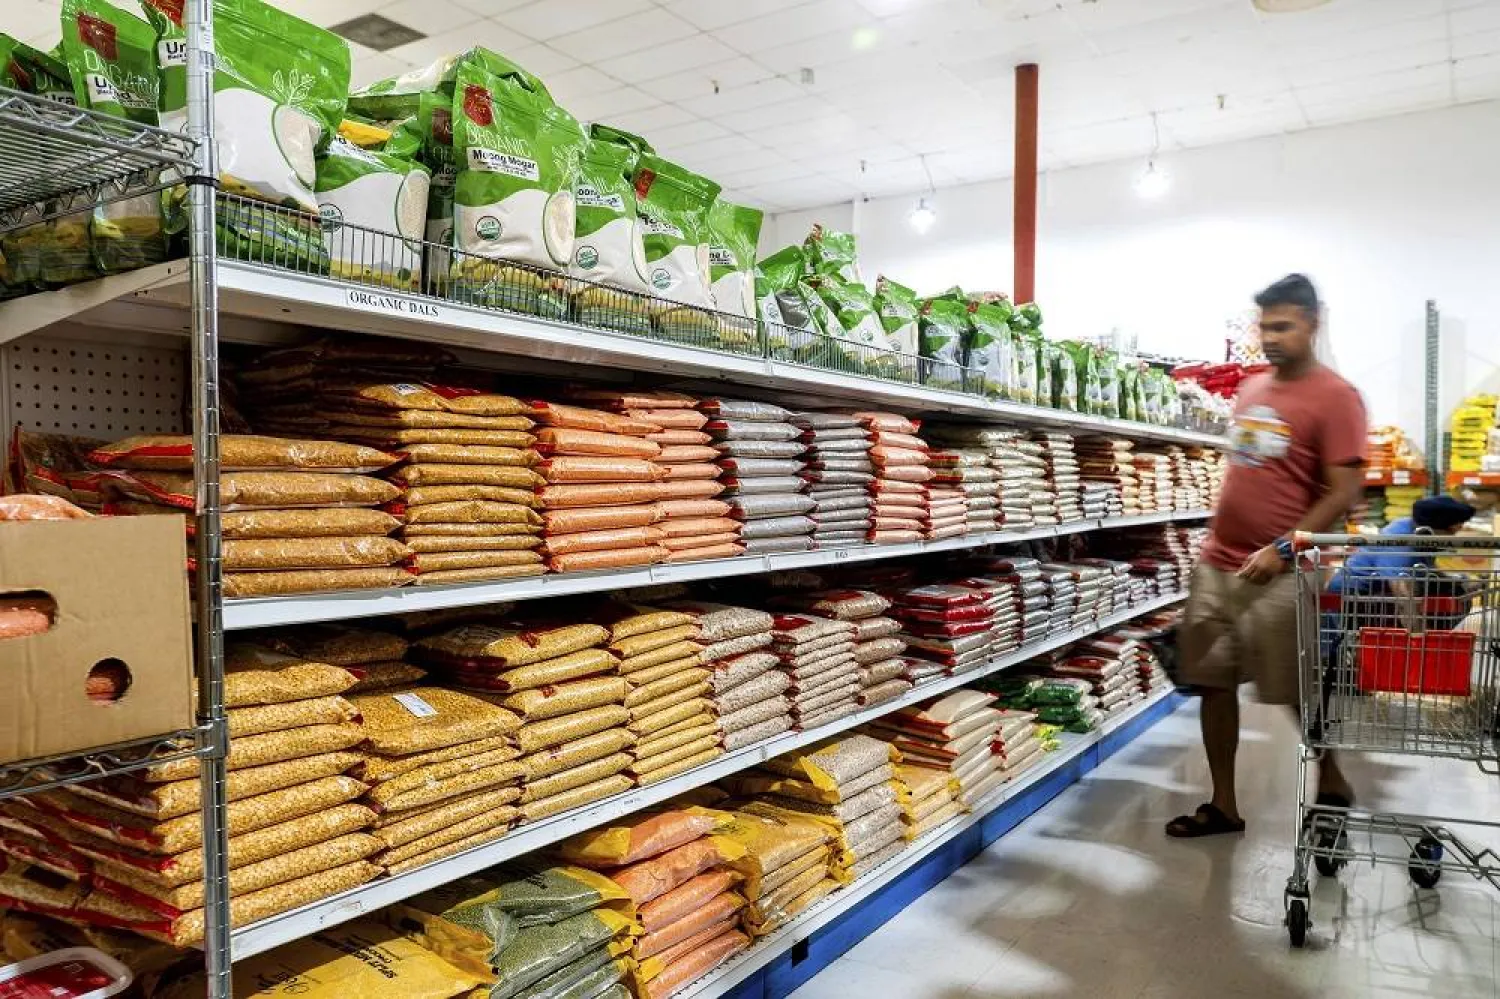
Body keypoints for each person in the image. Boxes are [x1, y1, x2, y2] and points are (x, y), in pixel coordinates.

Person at [1166, 273, 1368, 838]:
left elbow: (1344, 492)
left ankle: (1331, 777)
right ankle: (1224, 805)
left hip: (1284, 568)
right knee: (1211, 680)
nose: (1271, 337)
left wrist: (1283, 548)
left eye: (1284, 326)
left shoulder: (1336, 397)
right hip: (1219, 561)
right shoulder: (1253, 388)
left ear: (1312, 323)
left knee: (1291, 688)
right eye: (1265, 326)